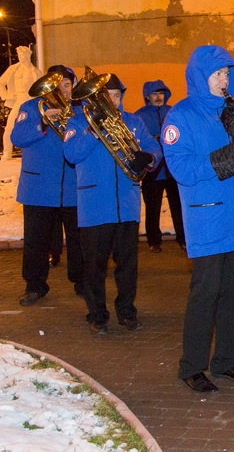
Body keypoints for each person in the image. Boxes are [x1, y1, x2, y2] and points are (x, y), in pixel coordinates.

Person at [163, 45, 234, 392]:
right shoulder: (181, 116)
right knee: (205, 294)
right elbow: (181, 169)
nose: (224, 79)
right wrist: (227, 157)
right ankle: (192, 366)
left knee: (232, 295)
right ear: (199, 76)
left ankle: (226, 361)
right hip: (207, 219)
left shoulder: (233, 112)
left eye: (227, 73)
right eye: (217, 73)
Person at [63, 74, 160, 335]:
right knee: (94, 266)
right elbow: (70, 154)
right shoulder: (78, 121)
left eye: (117, 95)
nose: (113, 101)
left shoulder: (134, 121)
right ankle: (97, 314)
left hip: (126, 205)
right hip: (95, 206)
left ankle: (127, 312)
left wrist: (148, 157)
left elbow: (153, 147)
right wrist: (93, 132)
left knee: (128, 265)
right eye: (108, 96)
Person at [10, 64, 83, 305]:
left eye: (66, 84)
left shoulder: (80, 110)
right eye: (56, 84)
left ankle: (82, 281)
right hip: (38, 188)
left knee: (78, 239)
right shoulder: (31, 108)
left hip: (73, 187)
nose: (62, 89)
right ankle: (34, 285)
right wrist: (42, 122)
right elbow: (17, 138)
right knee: (36, 240)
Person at [134, 80, 185, 252]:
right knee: (153, 207)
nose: (158, 97)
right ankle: (154, 241)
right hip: (152, 169)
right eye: (155, 94)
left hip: (172, 168)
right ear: (147, 96)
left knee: (178, 206)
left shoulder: (173, 112)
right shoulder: (139, 115)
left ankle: (183, 238)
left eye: (161, 93)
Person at [0, 46, 42, 162]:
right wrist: (7, 96)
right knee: (10, 127)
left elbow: (41, 89)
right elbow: (0, 83)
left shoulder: (36, 71)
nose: (20, 57)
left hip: (32, 101)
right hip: (19, 100)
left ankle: (32, 153)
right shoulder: (14, 69)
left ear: (28, 55)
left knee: (34, 128)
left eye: (22, 55)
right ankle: (7, 153)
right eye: (19, 55)